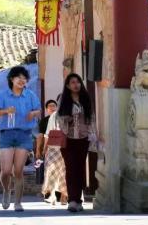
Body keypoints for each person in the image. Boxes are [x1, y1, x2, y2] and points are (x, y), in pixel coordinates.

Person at [0, 65, 42, 212]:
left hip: (24, 134)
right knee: (6, 171)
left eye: (24, 78)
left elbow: (39, 110)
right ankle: (6, 190)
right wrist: (5, 111)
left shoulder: (30, 95)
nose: (22, 80)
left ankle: (18, 202)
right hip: (6, 134)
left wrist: (33, 114)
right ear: (11, 79)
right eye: (18, 77)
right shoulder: (2, 95)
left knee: (19, 171)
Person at [56, 74, 95, 213]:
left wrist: (92, 133)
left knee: (80, 169)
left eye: (78, 82)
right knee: (71, 169)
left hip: (83, 138)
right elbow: (58, 117)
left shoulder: (86, 98)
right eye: (72, 82)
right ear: (68, 85)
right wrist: (68, 118)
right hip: (68, 139)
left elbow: (91, 117)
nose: (76, 84)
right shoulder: (63, 99)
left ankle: (79, 200)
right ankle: (72, 200)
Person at [37, 100, 67, 205]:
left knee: (64, 172)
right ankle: (51, 195)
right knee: (50, 171)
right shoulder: (52, 116)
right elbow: (46, 134)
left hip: (67, 147)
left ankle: (64, 195)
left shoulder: (72, 114)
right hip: (53, 147)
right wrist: (44, 149)